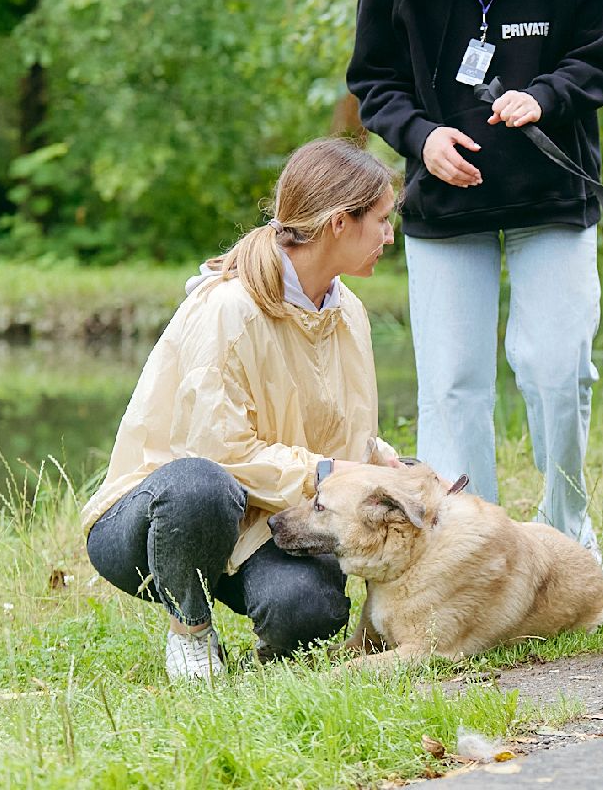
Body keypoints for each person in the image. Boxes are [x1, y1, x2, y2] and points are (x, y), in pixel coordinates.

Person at [346, 0, 603, 557]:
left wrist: (545, 95)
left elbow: (599, 63)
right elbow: (373, 83)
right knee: (454, 385)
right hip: (447, 207)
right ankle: (473, 549)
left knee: (553, 368)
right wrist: (421, 137)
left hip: (550, 197)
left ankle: (567, 535)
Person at [81, 138, 404, 681]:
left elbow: (345, 428)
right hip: (162, 519)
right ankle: (190, 630)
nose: (390, 235)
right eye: (381, 219)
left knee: (311, 613)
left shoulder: (349, 311)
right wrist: (328, 473)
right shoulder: (229, 307)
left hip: (267, 519)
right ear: (338, 224)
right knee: (201, 486)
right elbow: (216, 453)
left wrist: (384, 465)